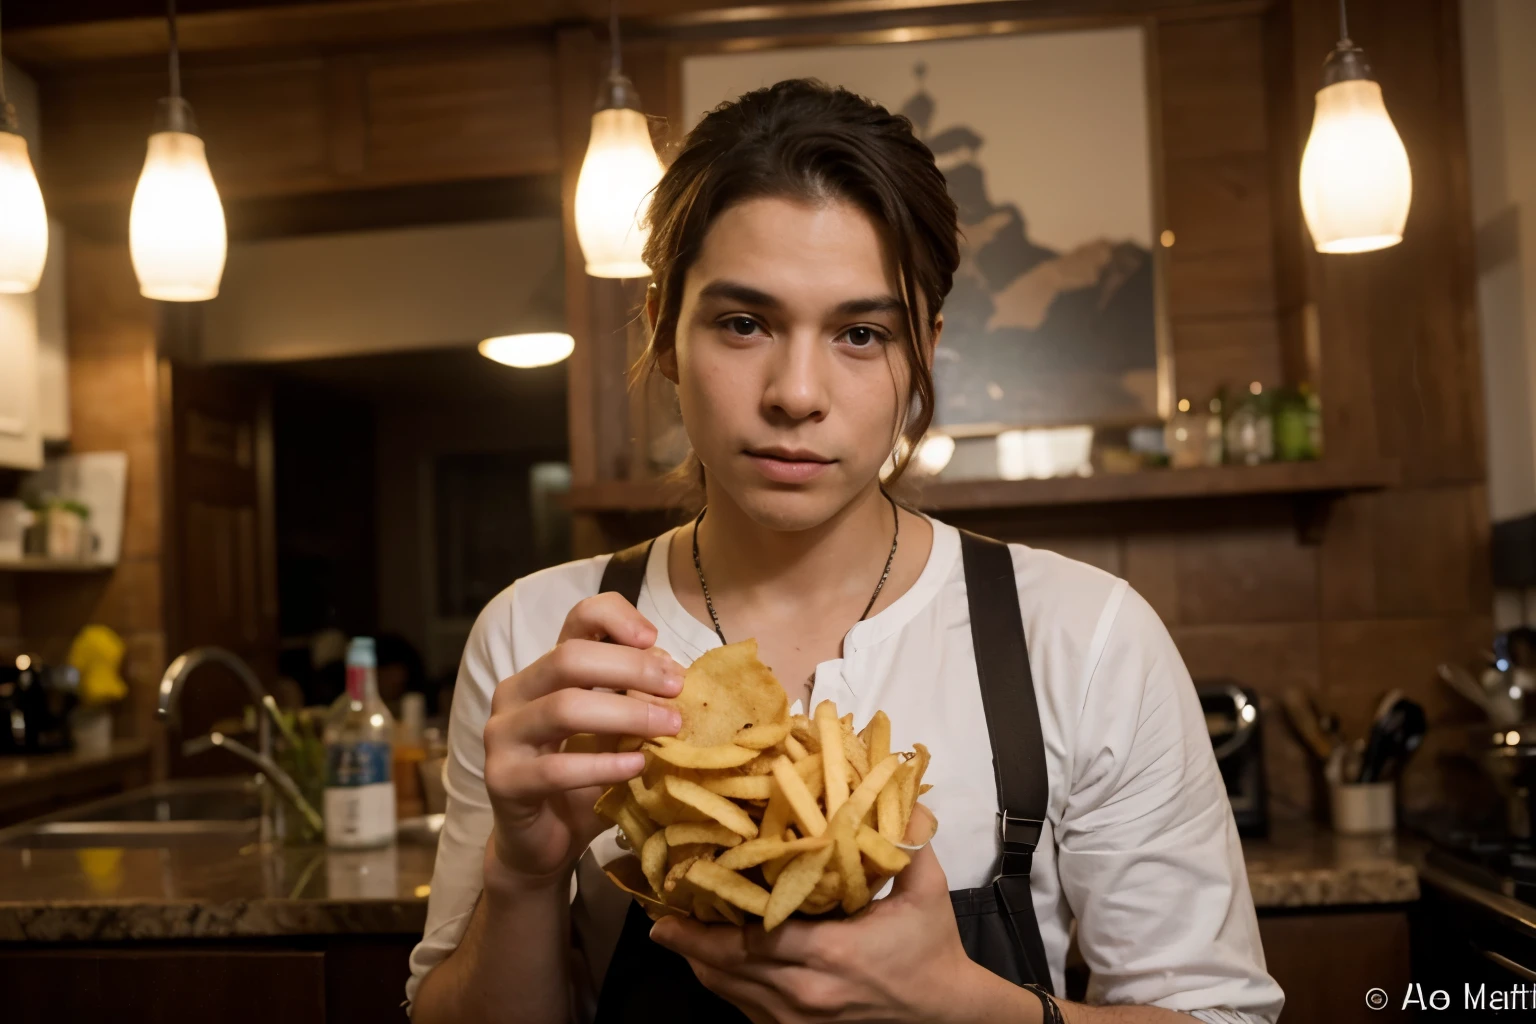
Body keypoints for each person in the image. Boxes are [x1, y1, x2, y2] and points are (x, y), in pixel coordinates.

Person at [407, 79, 1284, 1024]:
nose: (795, 392)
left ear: (926, 354)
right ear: (663, 332)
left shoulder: (1085, 638)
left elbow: (1219, 1016)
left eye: (861, 334)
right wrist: (525, 874)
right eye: (743, 324)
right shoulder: (540, 640)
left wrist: (957, 1004)